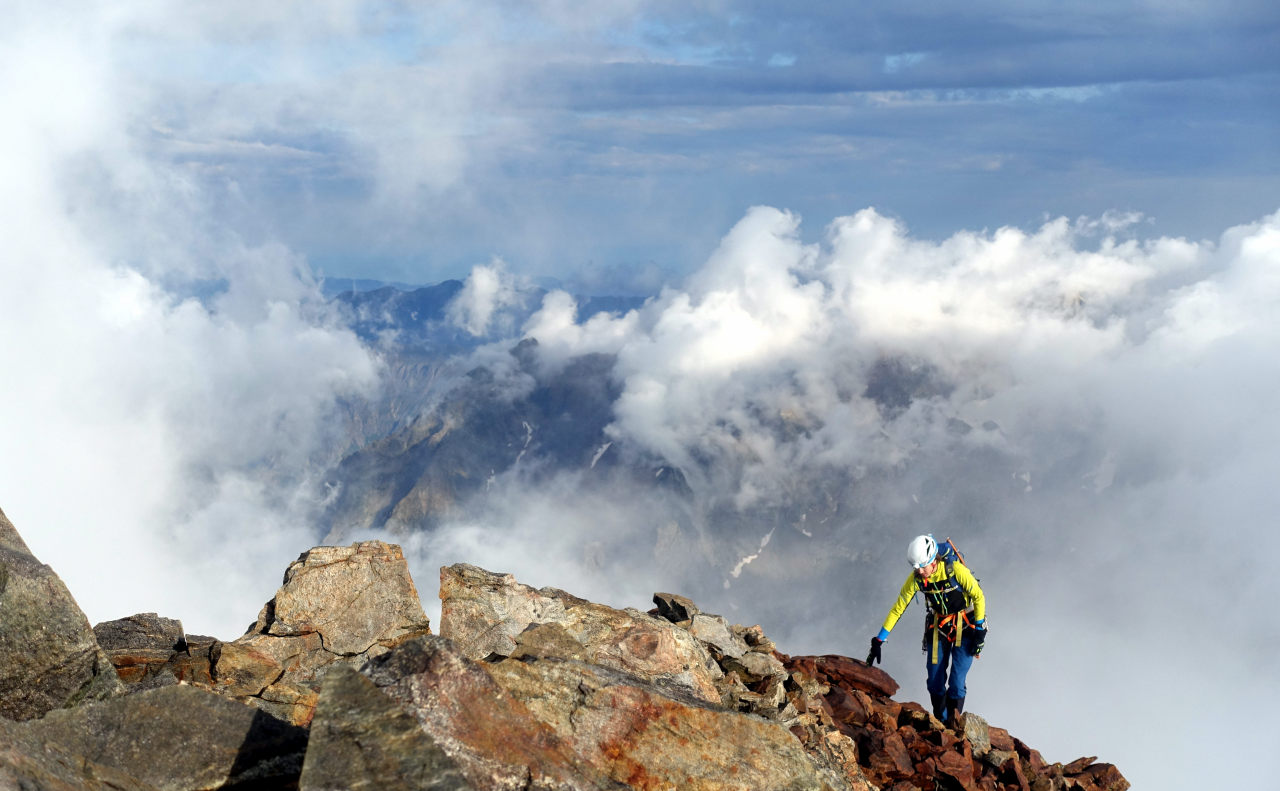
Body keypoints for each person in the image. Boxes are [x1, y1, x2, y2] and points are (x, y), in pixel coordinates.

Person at [865, 534, 987, 728]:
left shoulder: (954, 570)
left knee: (957, 682)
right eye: (916, 567)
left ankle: (952, 725)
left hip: (966, 627)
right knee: (934, 681)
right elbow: (899, 607)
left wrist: (980, 630)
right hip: (939, 627)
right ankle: (941, 720)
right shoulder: (916, 579)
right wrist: (879, 640)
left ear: (933, 560)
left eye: (923, 566)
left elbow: (978, 596)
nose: (920, 571)